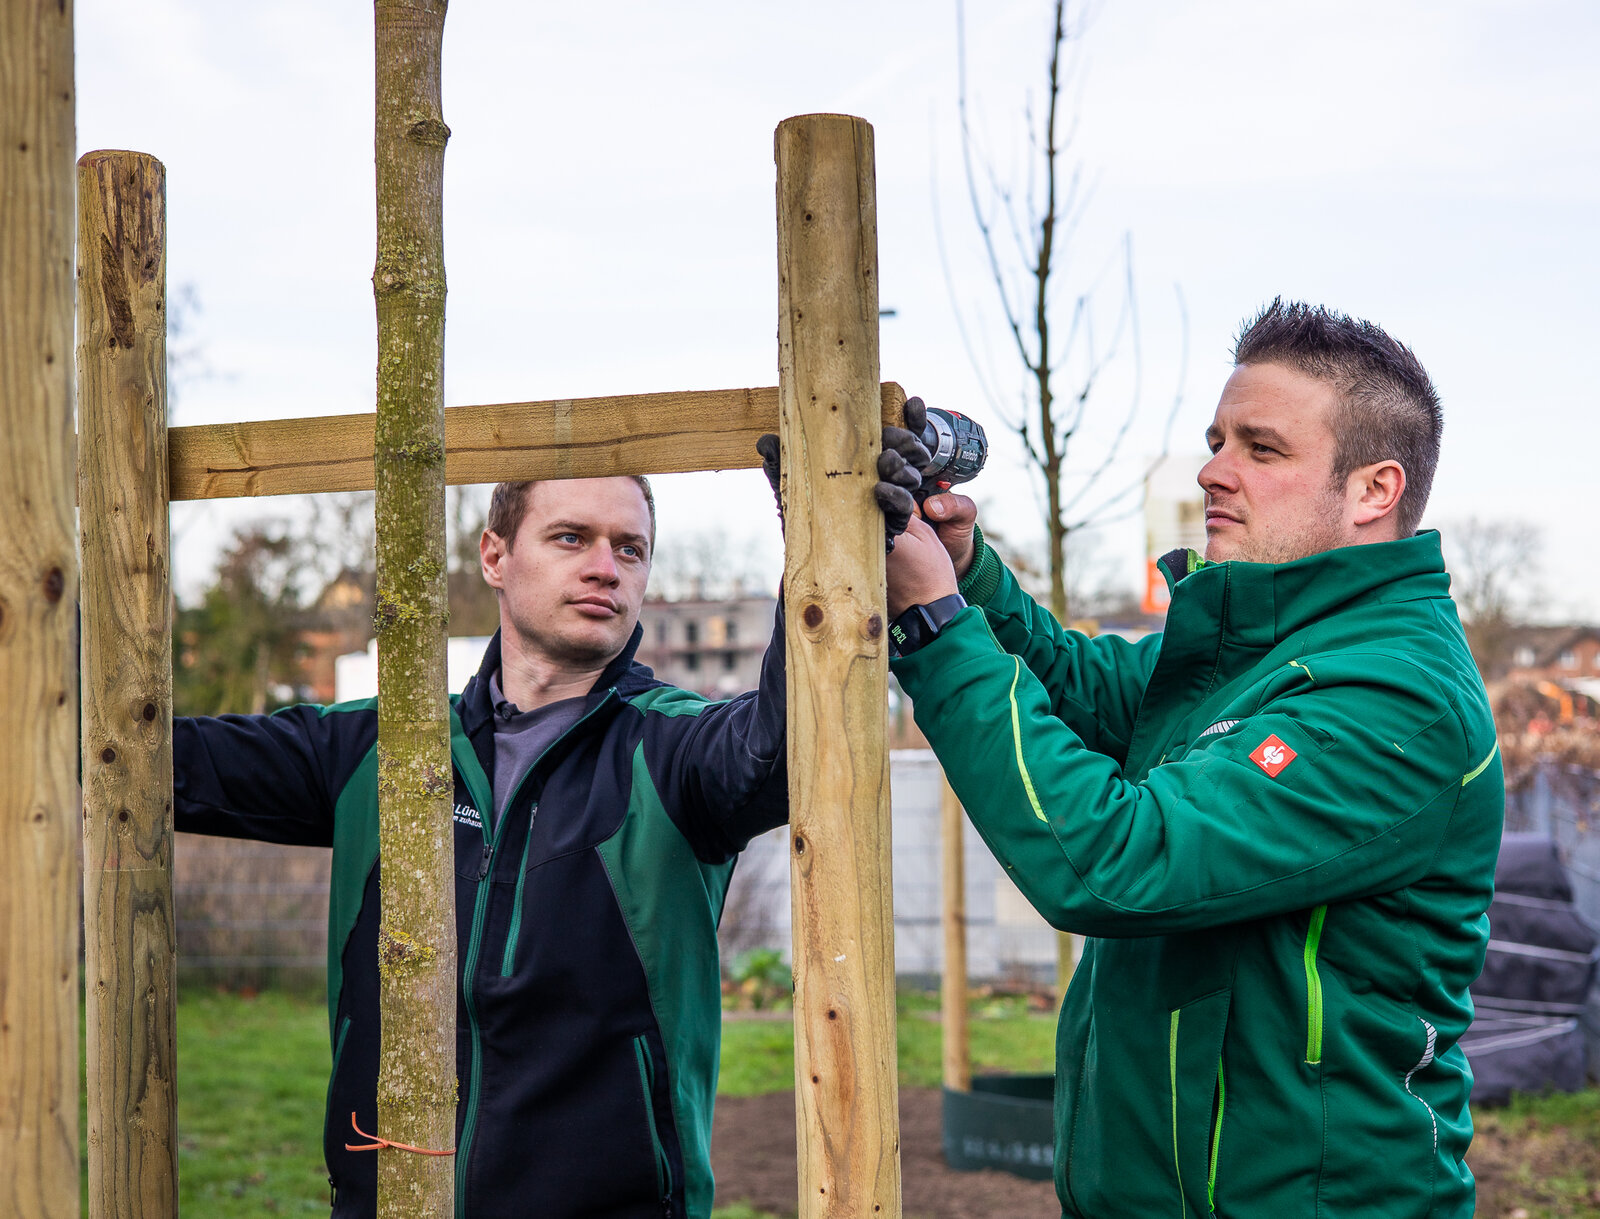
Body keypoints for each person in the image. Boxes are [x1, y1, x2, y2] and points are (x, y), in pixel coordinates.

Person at [173, 423, 929, 1219]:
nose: (605, 566)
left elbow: (789, 749)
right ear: (494, 555)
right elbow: (147, 756)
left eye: (630, 549)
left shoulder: (670, 751)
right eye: (572, 537)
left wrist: (823, 534)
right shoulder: (385, 747)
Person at [883, 301, 1502, 1218]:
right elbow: (1079, 689)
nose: (1213, 472)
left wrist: (936, 626)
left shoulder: (1395, 700)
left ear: (1375, 490)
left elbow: (1116, 862)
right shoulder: (1252, 654)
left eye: (1261, 448)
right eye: (1217, 440)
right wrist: (965, 571)